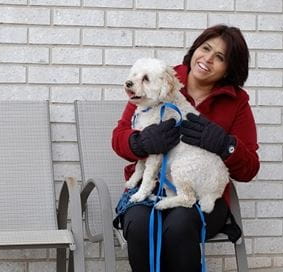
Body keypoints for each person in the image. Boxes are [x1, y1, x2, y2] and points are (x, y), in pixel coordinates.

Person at [111, 24, 260, 272]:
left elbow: (249, 169)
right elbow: (119, 137)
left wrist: (226, 145)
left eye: (220, 57)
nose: (208, 59)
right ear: (195, 49)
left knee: (179, 224)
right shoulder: (158, 80)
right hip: (149, 189)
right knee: (139, 225)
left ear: (230, 68)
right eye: (206, 48)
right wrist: (139, 142)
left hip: (200, 196)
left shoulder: (236, 102)